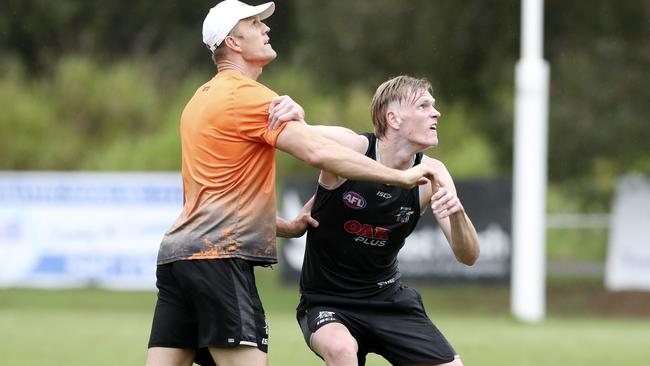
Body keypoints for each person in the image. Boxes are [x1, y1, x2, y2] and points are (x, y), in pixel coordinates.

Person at [145, 1, 438, 366]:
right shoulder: (249, 97)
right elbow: (318, 151)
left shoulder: (198, 100)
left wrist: (285, 226)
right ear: (233, 43)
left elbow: (211, 200)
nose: (265, 28)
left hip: (177, 258)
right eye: (254, 24)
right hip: (218, 261)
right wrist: (401, 176)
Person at [277, 75, 481, 366]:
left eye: (433, 106)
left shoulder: (432, 174)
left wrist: (458, 214)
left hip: (388, 300)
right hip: (328, 302)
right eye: (423, 105)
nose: (436, 113)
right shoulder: (352, 146)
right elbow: (292, 132)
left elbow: (469, 255)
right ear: (393, 119)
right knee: (340, 348)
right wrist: (293, 112)